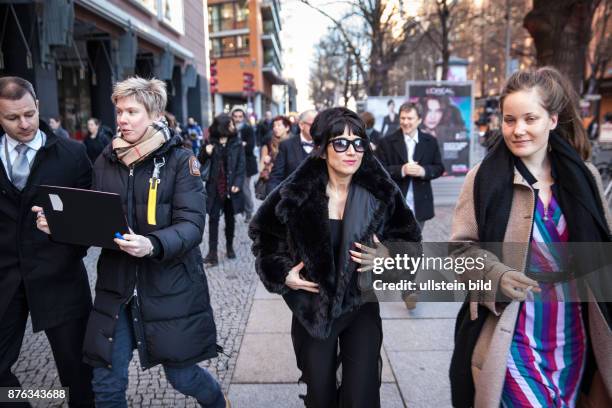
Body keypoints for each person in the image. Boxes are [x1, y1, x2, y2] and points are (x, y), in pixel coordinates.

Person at [36, 77, 227, 408]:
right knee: (106, 383)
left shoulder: (181, 160)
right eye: (119, 111)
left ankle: (217, 402)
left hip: (169, 286)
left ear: (154, 114)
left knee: (181, 376)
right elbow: (91, 219)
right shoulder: (105, 160)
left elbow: (192, 225)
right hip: (117, 288)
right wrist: (57, 225)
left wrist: (151, 244)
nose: (122, 119)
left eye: (131, 111)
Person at [449, 67, 612, 407]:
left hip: (573, 341)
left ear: (552, 120)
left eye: (530, 119)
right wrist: (498, 274)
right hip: (513, 340)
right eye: (509, 120)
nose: (518, 129)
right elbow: (460, 250)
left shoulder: (586, 178)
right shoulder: (483, 179)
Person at [249, 107, 420, 408]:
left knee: (361, 393)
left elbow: (410, 241)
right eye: (340, 143)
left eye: (358, 143)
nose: (351, 151)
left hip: (361, 305)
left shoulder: (381, 191)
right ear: (323, 149)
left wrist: (387, 257)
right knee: (320, 392)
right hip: (313, 311)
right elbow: (263, 234)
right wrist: (282, 273)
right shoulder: (296, 191)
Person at [0, 76, 94, 406]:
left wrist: (63, 228)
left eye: (29, 113)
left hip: (61, 280)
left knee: (78, 378)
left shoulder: (73, 154)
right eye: (12, 117)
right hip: (5, 280)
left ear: (38, 105)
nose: (24, 123)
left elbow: (91, 227)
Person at [376, 102, 445, 231]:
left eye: (410, 118)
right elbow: (378, 171)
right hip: (394, 204)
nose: (405, 122)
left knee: (415, 243)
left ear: (419, 120)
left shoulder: (430, 141)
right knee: (395, 244)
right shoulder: (386, 142)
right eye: (403, 118)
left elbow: (439, 168)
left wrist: (423, 171)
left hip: (420, 204)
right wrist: (402, 170)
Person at [199, 113, 245, 266]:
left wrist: (238, 183)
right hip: (214, 188)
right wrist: (207, 152)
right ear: (223, 126)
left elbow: (241, 166)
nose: (233, 126)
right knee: (213, 220)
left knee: (230, 219)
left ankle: (229, 247)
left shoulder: (236, 143)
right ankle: (212, 253)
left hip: (231, 188)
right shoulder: (209, 142)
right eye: (230, 124)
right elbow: (199, 161)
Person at [266, 109, 317, 194]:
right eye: (313, 125)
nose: (318, 128)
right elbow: (276, 177)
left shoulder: (324, 145)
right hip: (293, 201)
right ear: (301, 125)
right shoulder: (286, 146)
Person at [418, 95, 469, 174]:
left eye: (438, 111)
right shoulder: (414, 135)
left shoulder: (452, 136)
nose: (433, 116)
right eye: (428, 111)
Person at [232, 108, 257, 222]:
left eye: (240, 116)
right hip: (232, 164)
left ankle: (249, 211)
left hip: (247, 164)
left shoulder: (248, 129)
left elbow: (250, 146)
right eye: (235, 116)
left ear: (243, 117)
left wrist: (239, 145)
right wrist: (241, 144)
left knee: (245, 188)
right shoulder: (229, 128)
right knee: (234, 188)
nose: (237, 119)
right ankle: (237, 210)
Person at [256, 115, 291, 197]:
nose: (275, 128)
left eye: (279, 125)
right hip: (273, 182)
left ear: (287, 128)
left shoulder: (294, 142)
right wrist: (266, 162)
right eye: (274, 126)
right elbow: (261, 166)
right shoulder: (268, 142)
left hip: (289, 182)